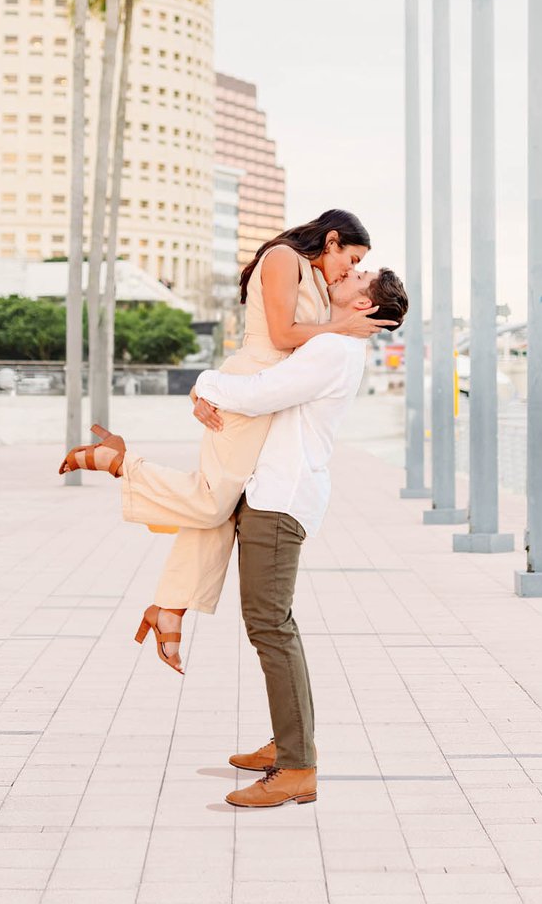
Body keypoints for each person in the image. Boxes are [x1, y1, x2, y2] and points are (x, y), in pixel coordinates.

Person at [69, 265, 409, 809]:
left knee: (270, 626)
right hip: (271, 492)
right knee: (267, 618)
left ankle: (296, 766)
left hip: (280, 500)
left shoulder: (333, 349)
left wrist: (204, 383)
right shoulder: (332, 344)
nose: (347, 272)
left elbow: (258, 394)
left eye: (358, 274)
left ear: (364, 305)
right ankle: (289, 742)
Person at [60, 209, 393, 672]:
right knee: (211, 503)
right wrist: (341, 328)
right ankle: (119, 462)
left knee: (223, 508)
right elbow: (281, 335)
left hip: (265, 394)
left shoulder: (317, 278)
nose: (349, 270)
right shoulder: (284, 257)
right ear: (332, 240)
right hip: (250, 388)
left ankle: (170, 609)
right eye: (351, 259)